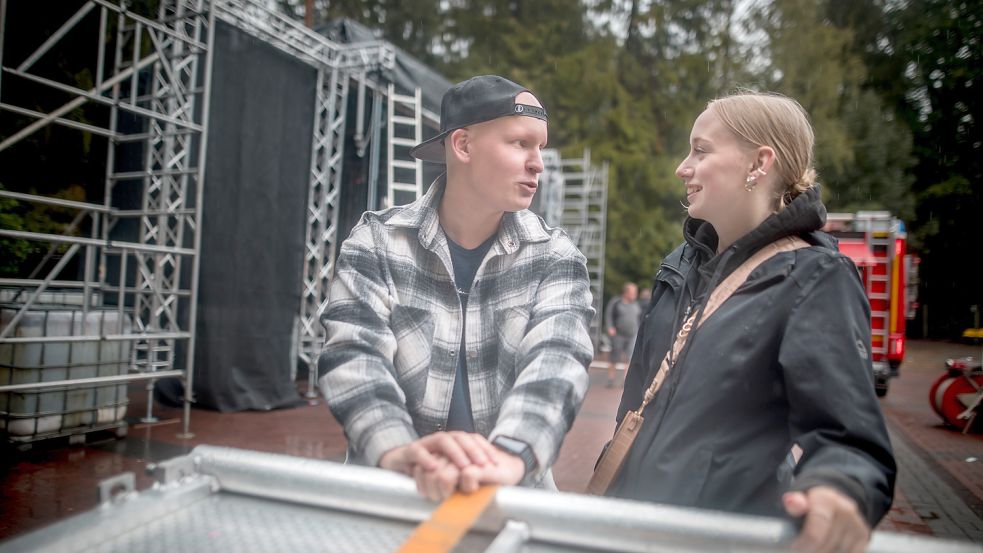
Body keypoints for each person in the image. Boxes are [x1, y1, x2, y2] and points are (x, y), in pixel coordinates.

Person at [603, 91, 895, 553]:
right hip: (627, 530)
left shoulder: (814, 276)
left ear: (759, 162)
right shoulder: (679, 266)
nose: (684, 166)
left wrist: (839, 490)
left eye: (701, 150)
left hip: (721, 540)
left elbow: (848, 439)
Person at [318, 75, 594, 502]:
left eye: (540, 146)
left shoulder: (554, 255)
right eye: (520, 143)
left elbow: (557, 363)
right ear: (463, 146)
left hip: (510, 498)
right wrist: (399, 451)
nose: (538, 162)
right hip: (392, 493)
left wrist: (508, 458)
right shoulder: (377, 240)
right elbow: (354, 355)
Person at [604, 282, 640, 387]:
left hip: (632, 335)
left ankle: (625, 381)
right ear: (626, 293)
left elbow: (638, 318)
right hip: (618, 335)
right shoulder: (616, 303)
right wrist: (610, 327)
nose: (635, 295)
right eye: (633, 292)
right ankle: (611, 379)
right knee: (614, 357)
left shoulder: (636, 305)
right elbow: (609, 315)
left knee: (629, 358)